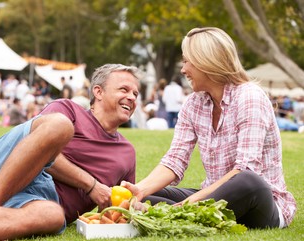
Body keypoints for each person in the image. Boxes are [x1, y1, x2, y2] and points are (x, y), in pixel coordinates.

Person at [0, 63, 141, 241]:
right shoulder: (68, 109)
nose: (132, 97)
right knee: (60, 126)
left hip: (38, 201)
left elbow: (119, 204)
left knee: (53, 216)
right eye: (124, 89)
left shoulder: (127, 153)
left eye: (135, 93)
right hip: (1, 166)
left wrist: (129, 207)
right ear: (98, 92)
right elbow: (38, 152)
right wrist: (91, 185)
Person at [121, 27, 296, 230]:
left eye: (187, 61)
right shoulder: (193, 104)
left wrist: (191, 201)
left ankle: (176, 214)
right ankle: (178, 214)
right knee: (151, 195)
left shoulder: (250, 97)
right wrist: (139, 190)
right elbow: (175, 160)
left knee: (248, 179)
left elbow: (246, 169)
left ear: (206, 61)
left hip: (259, 204)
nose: (183, 70)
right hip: (215, 198)